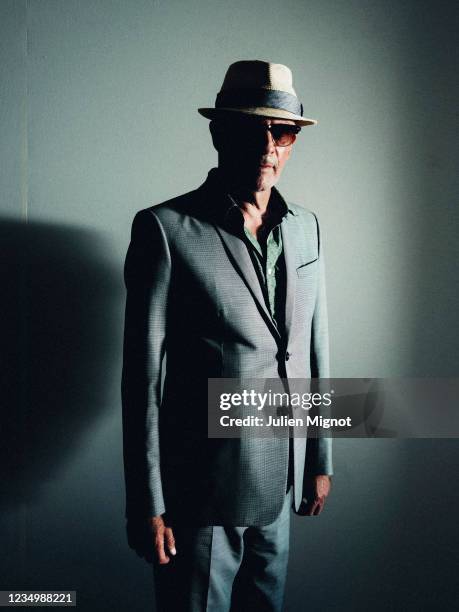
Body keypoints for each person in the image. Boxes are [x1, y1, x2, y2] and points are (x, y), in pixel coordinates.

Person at [121, 60, 333, 611]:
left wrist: (320, 457)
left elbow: (312, 349)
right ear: (218, 133)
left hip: (281, 487)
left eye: (282, 132)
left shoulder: (307, 228)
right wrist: (147, 501)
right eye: (250, 129)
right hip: (200, 496)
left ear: (293, 141)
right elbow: (142, 379)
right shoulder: (165, 231)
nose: (268, 147)